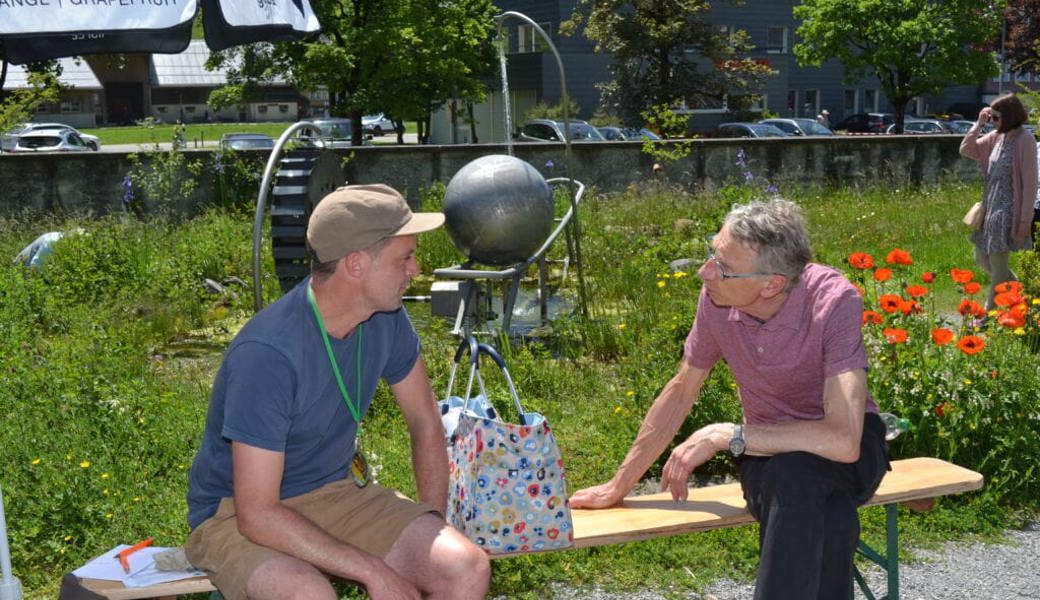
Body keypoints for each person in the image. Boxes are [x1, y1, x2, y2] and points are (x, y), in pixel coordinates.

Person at [570, 199, 890, 600]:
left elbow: (843, 440)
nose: (705, 272)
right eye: (711, 254)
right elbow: (681, 390)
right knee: (829, 512)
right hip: (769, 459)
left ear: (771, 283)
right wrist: (618, 485)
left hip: (852, 452)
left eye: (722, 267)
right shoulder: (718, 299)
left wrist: (730, 435)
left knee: (797, 479)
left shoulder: (833, 300)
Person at [184, 184, 490, 600]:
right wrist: (374, 571)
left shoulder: (388, 317)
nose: (415, 270)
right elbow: (257, 514)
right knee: (309, 595)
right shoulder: (268, 354)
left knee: (464, 568)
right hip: (235, 512)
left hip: (335, 493)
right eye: (405, 257)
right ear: (357, 264)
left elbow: (424, 423)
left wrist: (433, 521)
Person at [959, 93, 1038, 313]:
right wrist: (979, 123)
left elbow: (1031, 184)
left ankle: (989, 314)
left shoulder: (1025, 140)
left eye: (995, 117)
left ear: (1010, 117)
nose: (992, 121)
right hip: (990, 206)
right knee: (981, 258)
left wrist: (1024, 221)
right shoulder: (997, 137)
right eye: (990, 117)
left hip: (1008, 211)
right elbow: (966, 149)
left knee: (998, 265)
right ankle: (1026, 295)